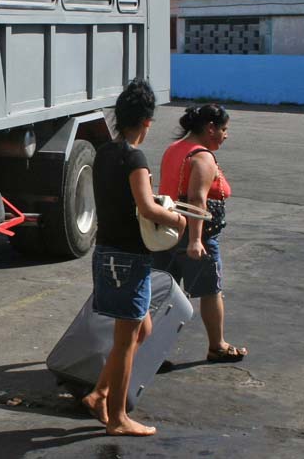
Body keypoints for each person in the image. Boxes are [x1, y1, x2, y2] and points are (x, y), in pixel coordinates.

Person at [81, 79, 186, 437]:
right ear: (147, 121)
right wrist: (177, 218)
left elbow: (125, 200)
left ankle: (99, 394)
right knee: (126, 340)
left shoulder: (105, 153)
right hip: (129, 258)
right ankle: (117, 418)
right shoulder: (134, 157)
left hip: (106, 252)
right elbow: (145, 207)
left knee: (143, 328)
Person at [154, 103, 247, 363]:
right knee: (210, 291)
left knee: (162, 292)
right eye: (224, 129)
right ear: (210, 128)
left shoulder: (174, 149)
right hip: (196, 235)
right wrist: (196, 240)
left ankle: (151, 351)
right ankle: (217, 346)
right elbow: (196, 200)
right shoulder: (202, 156)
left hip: (168, 230)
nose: (225, 135)